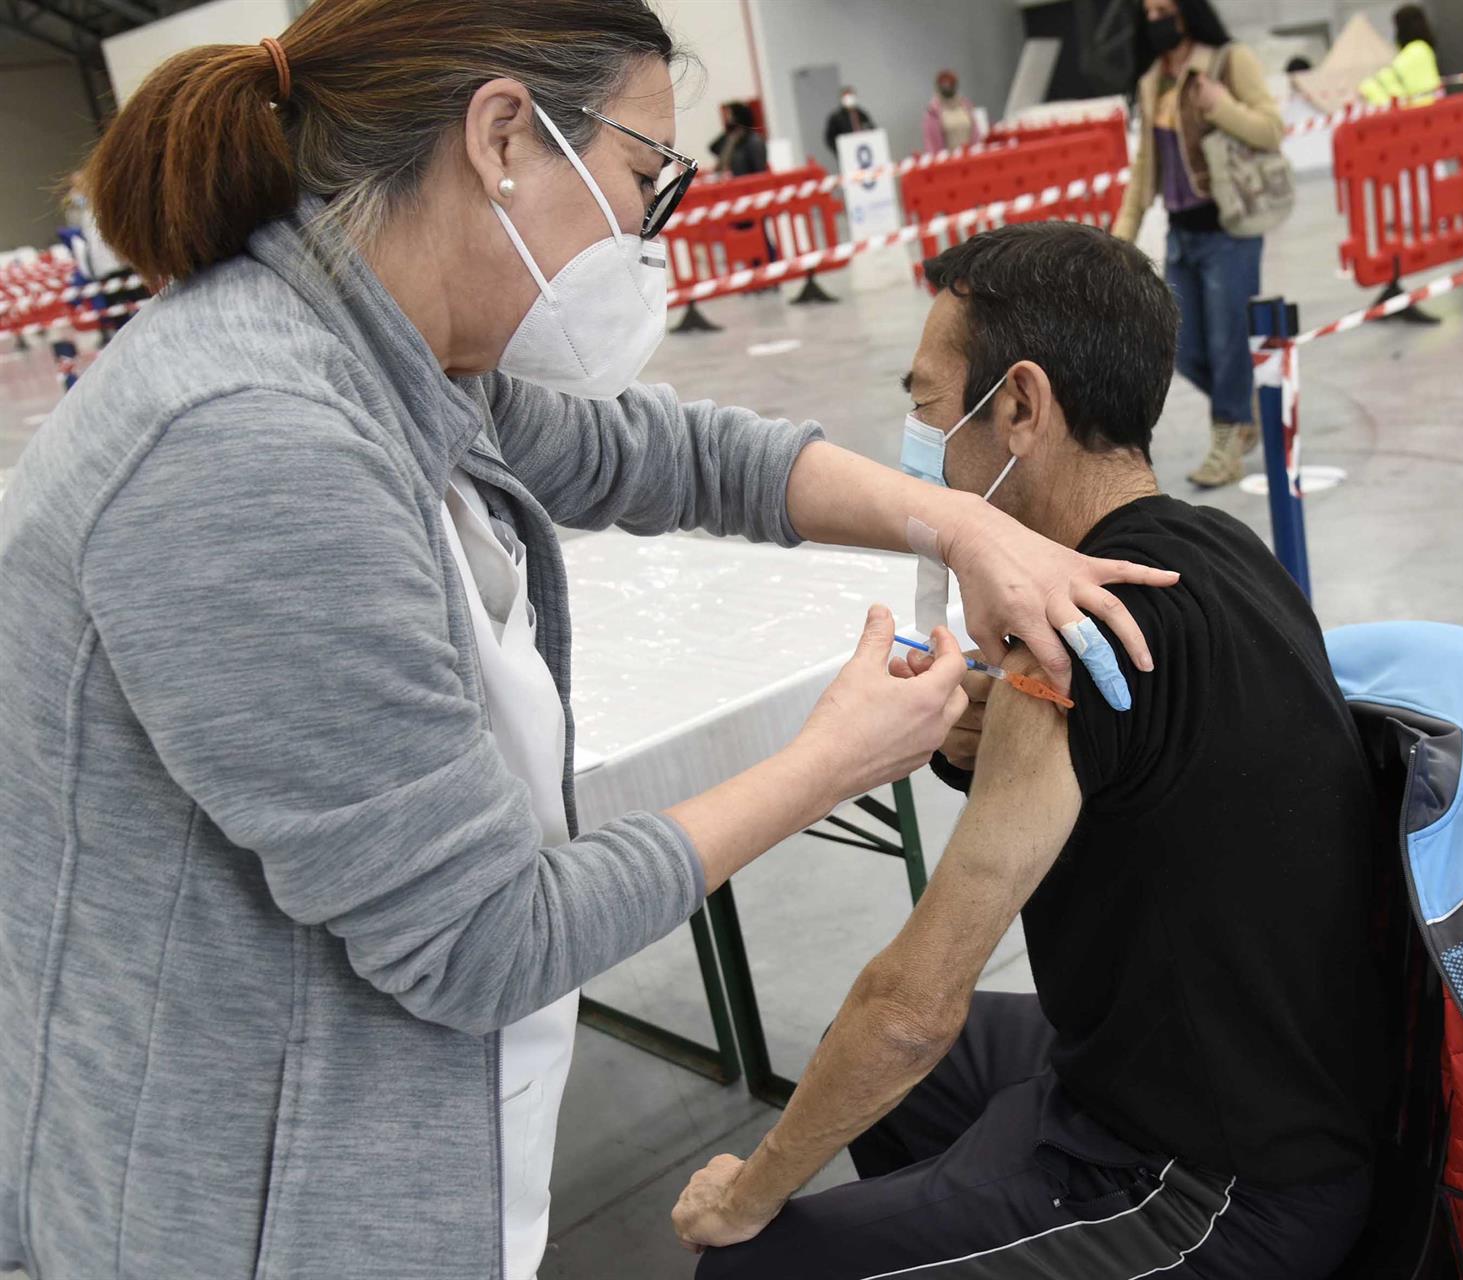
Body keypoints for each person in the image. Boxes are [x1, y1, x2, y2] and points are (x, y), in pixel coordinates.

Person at [0, 5, 1178, 1277]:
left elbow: (665, 453)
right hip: (249, 1210)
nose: (640, 236)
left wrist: (956, 523)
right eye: (641, 177)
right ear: (503, 134)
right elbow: (479, 936)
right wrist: (825, 759)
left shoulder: (390, 354)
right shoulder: (253, 442)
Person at [672, 221, 1387, 1278]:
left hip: (1222, 1177)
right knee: (875, 1075)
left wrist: (749, 1191)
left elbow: (912, 1008)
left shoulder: (1067, 636)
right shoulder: (1217, 548)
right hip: (1229, 1067)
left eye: (926, 405)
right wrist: (978, 733)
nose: (919, 443)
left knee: (758, 1263)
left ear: (1018, 406)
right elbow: (1164, 773)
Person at [1112, 0, 1284, 490]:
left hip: (1229, 230)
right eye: (1148, 12)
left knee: (1229, 343)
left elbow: (1272, 129)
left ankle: (1226, 437)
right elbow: (1146, 168)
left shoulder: (1229, 62)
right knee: (1179, 346)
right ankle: (1242, 409)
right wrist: (1118, 238)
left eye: (1165, 8)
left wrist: (1220, 106)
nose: (1157, 19)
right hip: (1181, 232)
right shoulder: (1153, 82)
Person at [1359, 5, 1443, 106]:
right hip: (1429, 106)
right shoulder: (1424, 50)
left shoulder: (1417, 50)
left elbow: (1394, 73)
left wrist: (1368, 87)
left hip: (1416, 109)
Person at [921, 68, 979, 153]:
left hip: (970, 157)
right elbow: (932, 144)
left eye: (949, 83)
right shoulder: (933, 112)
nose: (947, 87)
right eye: (944, 84)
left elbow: (976, 134)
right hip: (949, 162)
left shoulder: (966, 106)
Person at [709, 99, 769, 176]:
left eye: (729, 114)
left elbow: (759, 169)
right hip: (738, 181)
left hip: (750, 183)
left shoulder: (753, 140)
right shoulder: (732, 138)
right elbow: (713, 147)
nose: (726, 118)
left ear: (736, 116)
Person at [823, 84, 875, 156]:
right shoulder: (836, 117)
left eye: (851, 96)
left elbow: (872, 129)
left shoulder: (862, 114)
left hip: (865, 150)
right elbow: (830, 138)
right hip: (847, 154)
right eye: (846, 96)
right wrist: (839, 150)